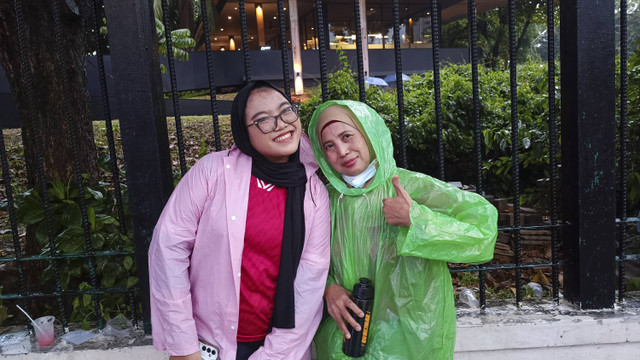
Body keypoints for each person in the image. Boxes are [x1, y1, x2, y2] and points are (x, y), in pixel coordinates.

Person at [148, 81, 330, 360]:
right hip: (208, 346)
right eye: (263, 120)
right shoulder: (212, 172)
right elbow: (167, 249)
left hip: (280, 348)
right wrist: (184, 345)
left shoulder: (313, 192)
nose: (280, 124)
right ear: (245, 135)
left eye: (286, 111)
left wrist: (272, 355)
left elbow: (310, 281)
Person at [307, 100, 498, 359]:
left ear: (368, 133)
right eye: (329, 145)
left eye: (347, 136)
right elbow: (302, 258)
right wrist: (328, 288)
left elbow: (483, 231)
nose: (342, 151)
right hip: (346, 338)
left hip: (411, 335)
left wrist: (417, 220)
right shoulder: (323, 200)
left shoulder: (411, 187)